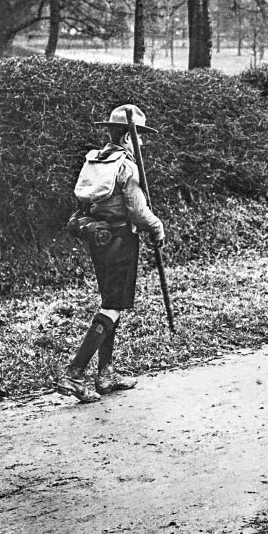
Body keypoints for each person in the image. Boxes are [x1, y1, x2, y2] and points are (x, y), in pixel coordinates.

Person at [57, 104, 166, 403]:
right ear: (128, 138)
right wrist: (156, 227)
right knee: (113, 306)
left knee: (110, 302)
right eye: (139, 136)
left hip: (98, 237)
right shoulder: (127, 166)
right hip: (120, 238)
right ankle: (75, 373)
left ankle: (105, 373)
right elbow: (137, 210)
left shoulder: (96, 160)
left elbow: (86, 202)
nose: (141, 143)